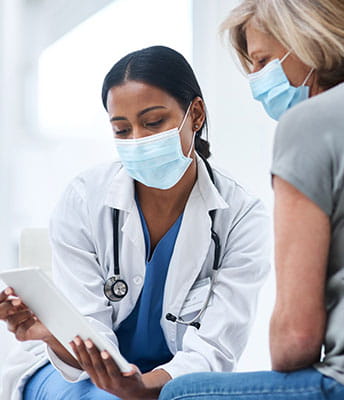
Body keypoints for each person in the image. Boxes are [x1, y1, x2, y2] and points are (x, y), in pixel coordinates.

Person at [159, 1, 344, 400]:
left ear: (308, 40)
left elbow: (295, 337)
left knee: (179, 395)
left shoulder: (309, 123)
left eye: (261, 61)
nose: (255, 81)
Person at [0, 45, 271, 400]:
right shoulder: (85, 198)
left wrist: (145, 386)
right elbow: (87, 334)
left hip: (172, 379)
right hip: (73, 373)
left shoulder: (241, 216)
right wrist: (54, 335)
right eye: (122, 130)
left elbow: (215, 349)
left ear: (197, 114)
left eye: (154, 122)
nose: (138, 141)